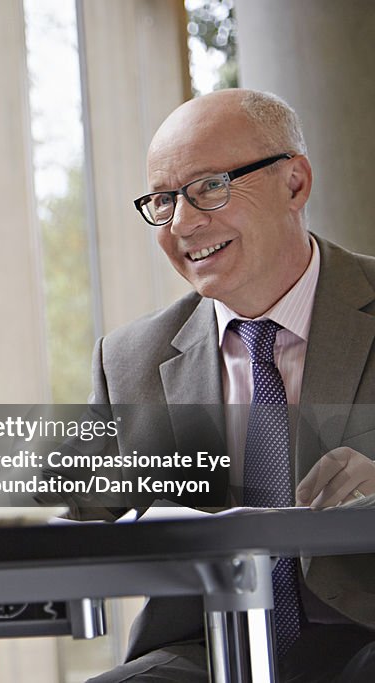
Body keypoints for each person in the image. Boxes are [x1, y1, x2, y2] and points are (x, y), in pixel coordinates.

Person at [79, 89, 375, 681]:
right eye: (163, 200)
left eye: (210, 186)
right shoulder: (130, 358)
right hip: (204, 650)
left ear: (295, 183)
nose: (183, 223)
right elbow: (81, 513)